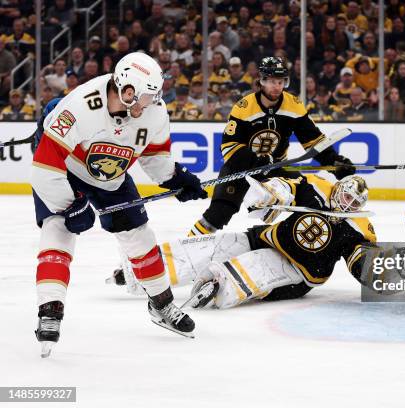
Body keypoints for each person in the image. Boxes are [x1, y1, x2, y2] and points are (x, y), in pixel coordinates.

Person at [31, 52, 207, 356]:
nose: (152, 102)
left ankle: (162, 305)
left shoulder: (154, 113)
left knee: (140, 237)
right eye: (146, 96)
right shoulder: (81, 106)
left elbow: (154, 157)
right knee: (58, 232)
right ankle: (50, 311)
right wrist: (70, 205)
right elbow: (44, 167)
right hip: (66, 175)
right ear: (127, 91)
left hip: (112, 178)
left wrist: (175, 177)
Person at [111, 174, 376, 310]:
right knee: (216, 246)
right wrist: (271, 194)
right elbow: (289, 187)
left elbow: (361, 255)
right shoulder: (318, 186)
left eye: (354, 203)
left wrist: (371, 268)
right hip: (270, 237)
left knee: (254, 265)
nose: (347, 204)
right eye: (346, 197)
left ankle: (215, 286)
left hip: (300, 271)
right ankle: (143, 270)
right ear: (338, 188)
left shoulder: (359, 226)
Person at [189, 56, 354, 236]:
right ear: (262, 81)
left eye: (281, 81)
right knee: (219, 214)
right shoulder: (244, 107)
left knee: (310, 200)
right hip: (241, 168)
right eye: (272, 81)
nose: (277, 86)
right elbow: (229, 146)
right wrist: (256, 161)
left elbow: (312, 139)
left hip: (277, 167)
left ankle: (291, 242)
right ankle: (189, 246)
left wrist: (333, 161)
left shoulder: (294, 105)